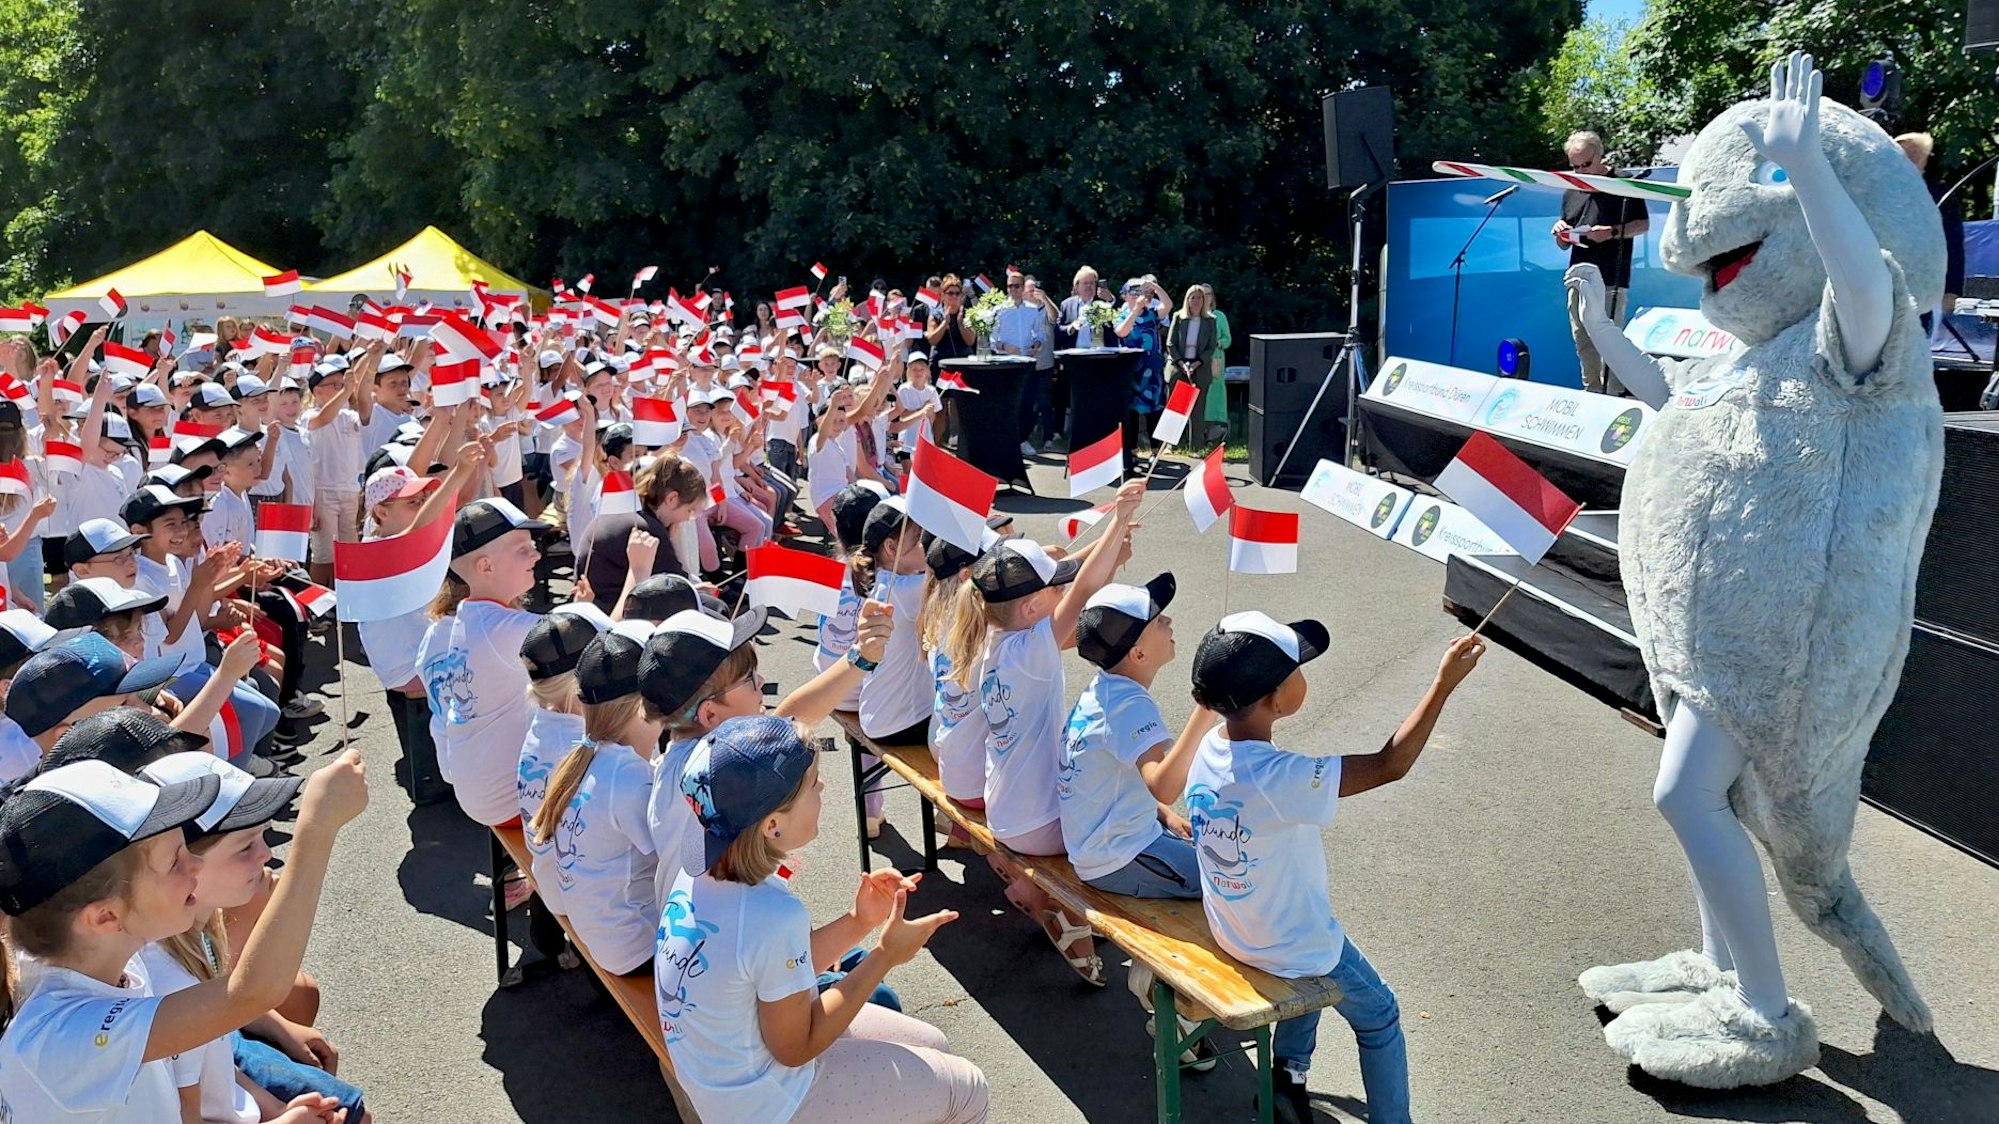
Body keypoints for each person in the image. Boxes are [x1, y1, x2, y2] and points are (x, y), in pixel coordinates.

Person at [1184, 615, 1483, 1124]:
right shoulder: (1282, 776)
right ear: (1277, 699)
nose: (1305, 673)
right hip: (1289, 942)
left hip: (1236, 928)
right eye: (1298, 668)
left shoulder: (1213, 744)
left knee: (1311, 957)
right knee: (1379, 1016)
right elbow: (1390, 764)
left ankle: (1287, 1076)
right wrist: (1442, 685)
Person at [0, 747, 369, 1124]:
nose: (196, 865)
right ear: (106, 916)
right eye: (175, 860)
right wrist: (317, 829)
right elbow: (250, 992)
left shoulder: (102, 968)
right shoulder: (62, 1036)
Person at [655, 714, 989, 1124]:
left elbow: (769, 969)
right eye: (813, 783)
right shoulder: (769, 913)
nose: (823, 787)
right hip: (767, 1104)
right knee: (968, 1088)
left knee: (935, 1042)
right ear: (772, 824)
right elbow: (795, 1048)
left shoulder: (703, 867)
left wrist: (858, 920)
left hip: (729, 1078)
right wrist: (884, 955)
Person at [944, 479, 1146, 984]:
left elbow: (1075, 583)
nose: (1059, 589)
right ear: (1034, 608)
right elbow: (1081, 594)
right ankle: (1075, 911)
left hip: (1005, 809)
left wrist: (1111, 552)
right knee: (1138, 811)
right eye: (1049, 587)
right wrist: (1118, 519)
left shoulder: (987, 631)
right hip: (1038, 822)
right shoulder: (1030, 650)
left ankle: (1041, 895)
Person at [525, 622, 667, 975]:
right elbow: (679, 858)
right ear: (641, 709)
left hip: (601, 933)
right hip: (635, 948)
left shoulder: (583, 754)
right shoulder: (630, 778)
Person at [1553, 131, 1650, 395]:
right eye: (1575, 166)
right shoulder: (1572, 188)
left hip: (1610, 276)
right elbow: (1564, 241)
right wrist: (1561, 232)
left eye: (1586, 164)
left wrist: (1610, 232)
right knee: (1582, 339)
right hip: (1577, 275)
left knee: (1608, 341)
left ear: (1600, 155)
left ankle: (1614, 395)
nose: (1581, 171)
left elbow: (1643, 224)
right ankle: (1592, 392)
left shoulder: (1623, 183)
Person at [1894, 131, 1965, 336]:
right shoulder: (1879, 191)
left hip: (1923, 287)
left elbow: (1953, 244)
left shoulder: (1940, 197)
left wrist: (1952, 290)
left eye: (1913, 152)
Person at [991, 272, 1052, 455]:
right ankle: (1006, 440)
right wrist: (1004, 346)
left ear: (1022, 287)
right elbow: (991, 338)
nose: (1013, 290)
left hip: (1026, 362)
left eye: (1016, 286)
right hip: (1005, 362)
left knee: (1028, 404)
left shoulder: (1032, 310)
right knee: (1006, 403)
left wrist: (1037, 344)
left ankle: (1022, 439)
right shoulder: (999, 310)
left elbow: (1040, 334)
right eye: (1010, 286)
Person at [1113, 278, 1172, 458]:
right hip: (1132, 370)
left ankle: (1156, 450)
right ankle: (1132, 451)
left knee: (1155, 410)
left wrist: (1155, 287)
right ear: (1125, 296)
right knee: (1132, 411)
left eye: (1140, 291)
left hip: (1152, 370)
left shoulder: (1152, 313)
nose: (1138, 295)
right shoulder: (1122, 316)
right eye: (1133, 292)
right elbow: (1121, 332)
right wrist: (1135, 310)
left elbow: (1168, 305)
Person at [1165, 286, 1219, 448]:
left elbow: (1211, 347)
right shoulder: (1178, 317)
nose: (1196, 301)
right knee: (1176, 407)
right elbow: (1170, 343)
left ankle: (1196, 446)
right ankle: (1170, 445)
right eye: (1193, 298)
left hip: (1200, 367)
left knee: (1198, 409)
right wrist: (1182, 364)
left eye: (1199, 298)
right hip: (1179, 366)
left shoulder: (1210, 321)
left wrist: (1196, 364)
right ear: (1187, 300)